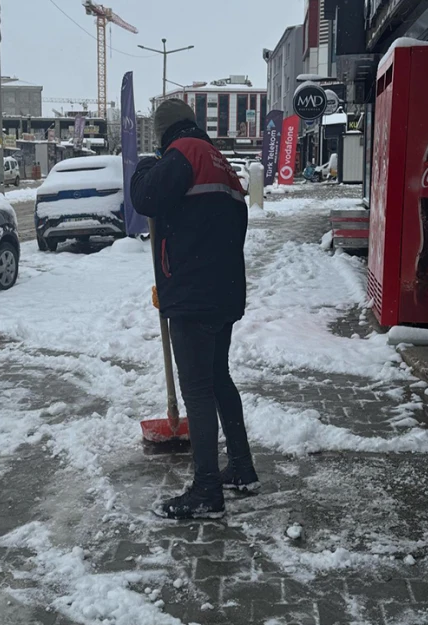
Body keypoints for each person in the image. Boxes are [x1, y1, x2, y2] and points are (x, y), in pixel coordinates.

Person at [130, 98, 259, 520]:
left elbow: (146, 197)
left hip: (194, 294)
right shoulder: (219, 160)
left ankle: (206, 490)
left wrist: (145, 167)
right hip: (222, 291)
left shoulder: (182, 154)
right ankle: (241, 467)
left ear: (165, 131)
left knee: (198, 389)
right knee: (218, 378)